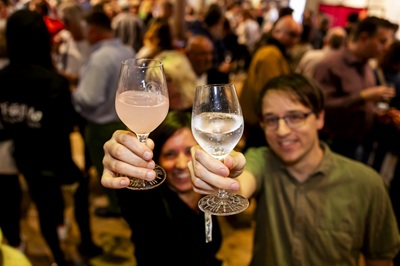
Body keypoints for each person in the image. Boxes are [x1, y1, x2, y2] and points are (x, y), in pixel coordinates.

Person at [188, 73, 400, 265]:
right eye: (271, 119)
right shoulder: (263, 159)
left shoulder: (368, 184)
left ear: (320, 118)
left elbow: (380, 259)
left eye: (295, 117)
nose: (282, 131)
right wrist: (221, 171)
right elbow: (241, 182)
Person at [101, 111, 223, 266]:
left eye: (188, 151)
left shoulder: (207, 189)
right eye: (170, 154)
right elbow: (128, 194)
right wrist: (120, 161)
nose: (181, 164)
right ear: (156, 159)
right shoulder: (147, 200)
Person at [0, 9, 73, 266]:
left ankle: (17, 245)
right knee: (47, 208)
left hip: (18, 154)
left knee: (9, 205)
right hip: (47, 160)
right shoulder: (54, 83)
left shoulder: (3, 78)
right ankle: (58, 257)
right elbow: (64, 129)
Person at [72, 10, 134, 218]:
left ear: (94, 31)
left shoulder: (100, 58)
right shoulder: (127, 50)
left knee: (109, 169)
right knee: (123, 167)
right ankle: (125, 204)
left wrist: (73, 93)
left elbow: (90, 98)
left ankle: (117, 207)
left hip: (102, 126)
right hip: (125, 121)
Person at [313, 16, 396, 162]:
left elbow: (362, 106)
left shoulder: (367, 67)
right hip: (330, 145)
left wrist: (377, 115)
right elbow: (319, 105)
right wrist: (363, 96)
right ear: (364, 38)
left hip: (355, 144)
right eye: (382, 41)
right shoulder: (330, 64)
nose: (386, 47)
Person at [240, 15, 302, 150]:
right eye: (292, 35)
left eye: (297, 35)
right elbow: (271, 92)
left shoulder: (275, 52)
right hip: (261, 121)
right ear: (277, 32)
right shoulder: (271, 55)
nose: (295, 40)